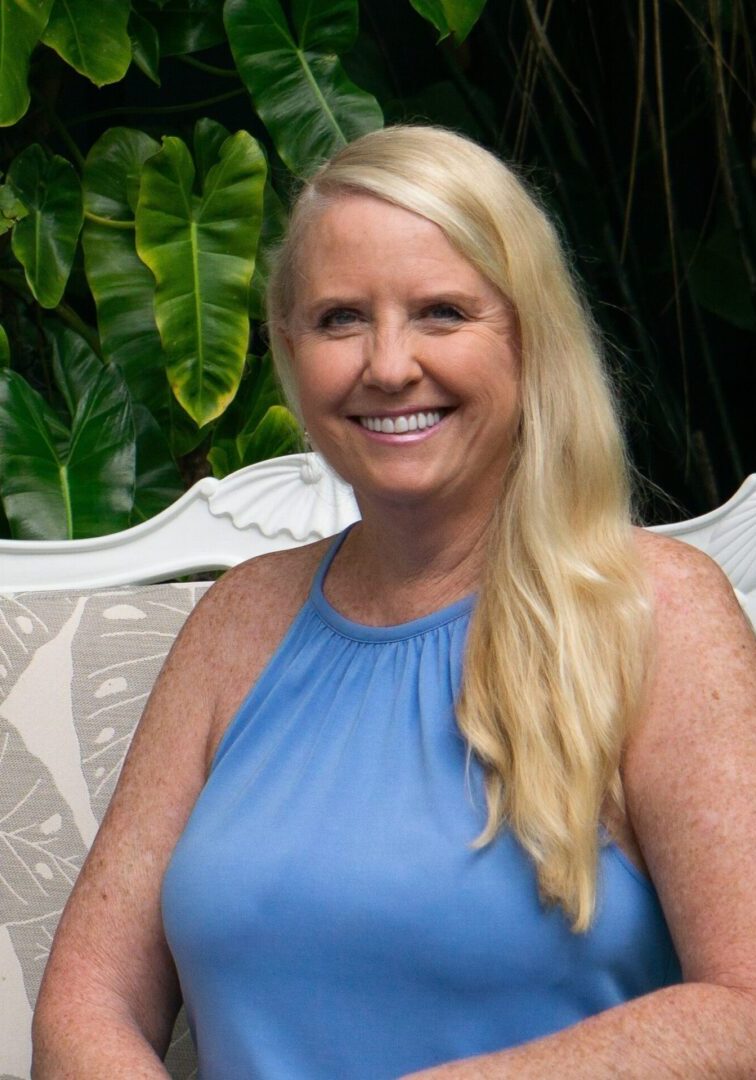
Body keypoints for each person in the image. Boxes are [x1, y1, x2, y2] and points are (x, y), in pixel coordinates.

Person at [32, 125, 756, 1079]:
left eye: (442, 312)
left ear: (530, 337)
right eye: (339, 319)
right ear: (291, 354)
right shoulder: (238, 621)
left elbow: (745, 1008)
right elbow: (89, 997)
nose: (387, 363)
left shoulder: (659, 612)